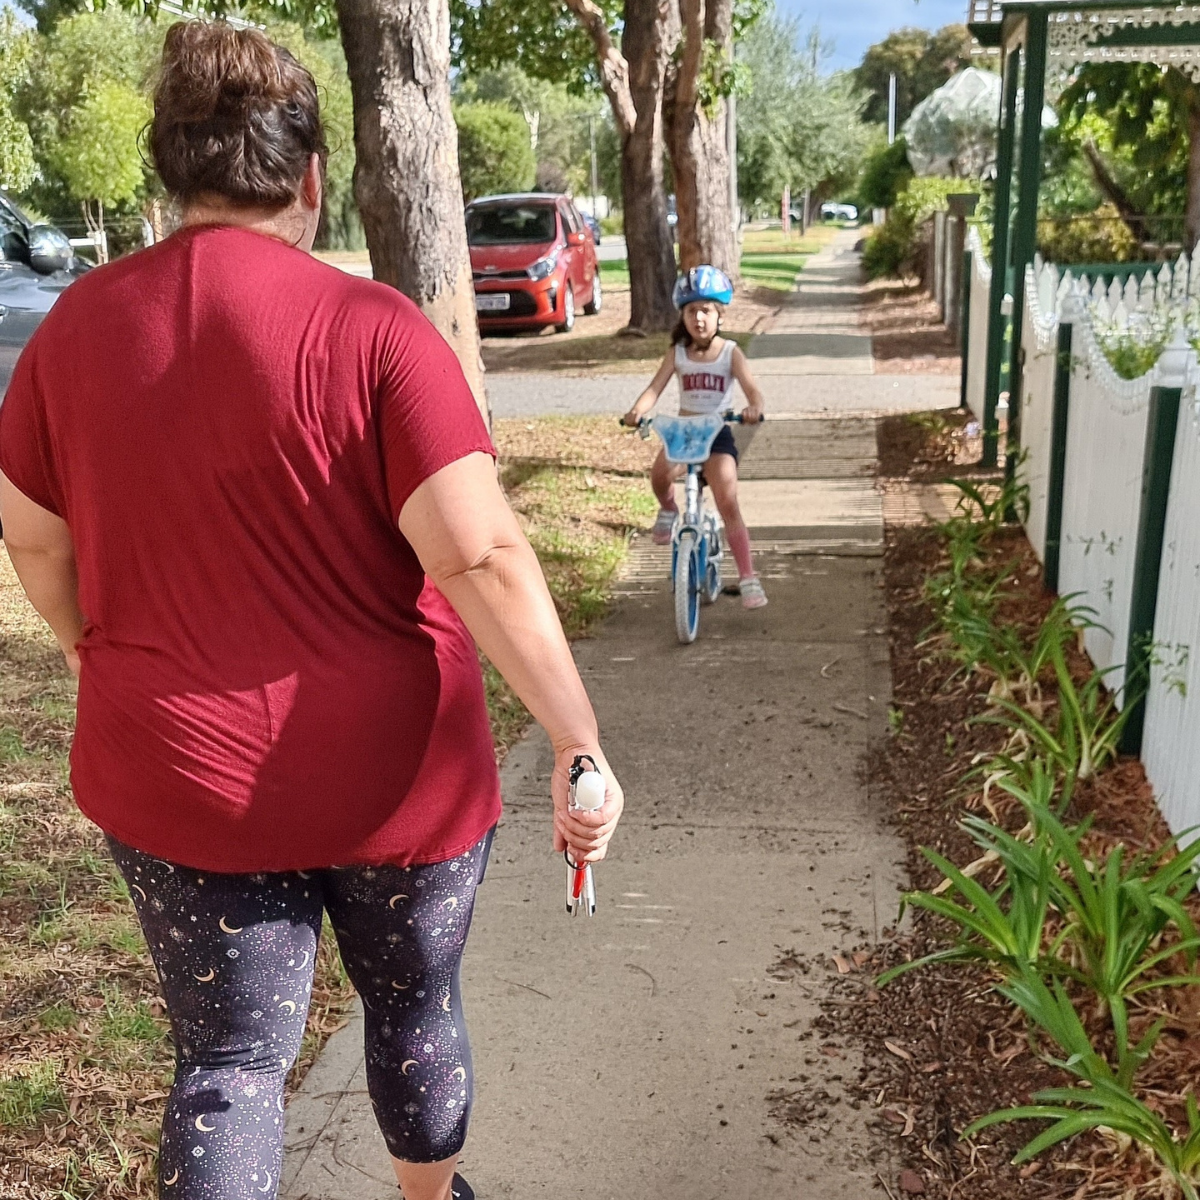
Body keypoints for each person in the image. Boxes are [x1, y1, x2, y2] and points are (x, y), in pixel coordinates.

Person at [0, 22, 623, 1200]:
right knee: (413, 1009)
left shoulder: (76, 329)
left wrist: (98, 647)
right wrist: (578, 741)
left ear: (171, 180)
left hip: (176, 772)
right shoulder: (375, 331)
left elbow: (30, 535)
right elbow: (482, 556)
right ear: (312, 180)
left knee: (229, 1064)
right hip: (399, 782)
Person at [622, 265, 768, 609]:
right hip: (685, 435)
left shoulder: (731, 353)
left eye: (706, 310)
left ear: (719, 314)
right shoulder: (678, 353)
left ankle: (748, 576)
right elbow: (654, 389)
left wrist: (753, 409)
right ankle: (670, 510)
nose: (698, 319)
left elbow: (754, 393)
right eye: (691, 311)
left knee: (727, 499)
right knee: (659, 475)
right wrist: (637, 411)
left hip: (717, 435)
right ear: (682, 315)